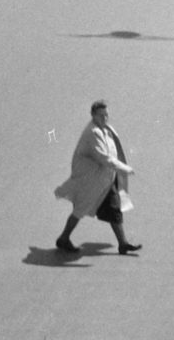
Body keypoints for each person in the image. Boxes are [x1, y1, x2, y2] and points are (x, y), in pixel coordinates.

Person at [54, 100, 139, 256]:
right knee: (80, 210)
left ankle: (123, 244)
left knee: (114, 209)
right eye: (101, 115)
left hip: (106, 179)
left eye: (106, 115)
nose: (104, 118)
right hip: (91, 181)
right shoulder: (93, 133)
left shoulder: (106, 129)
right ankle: (63, 238)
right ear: (93, 115)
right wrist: (124, 168)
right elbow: (104, 157)